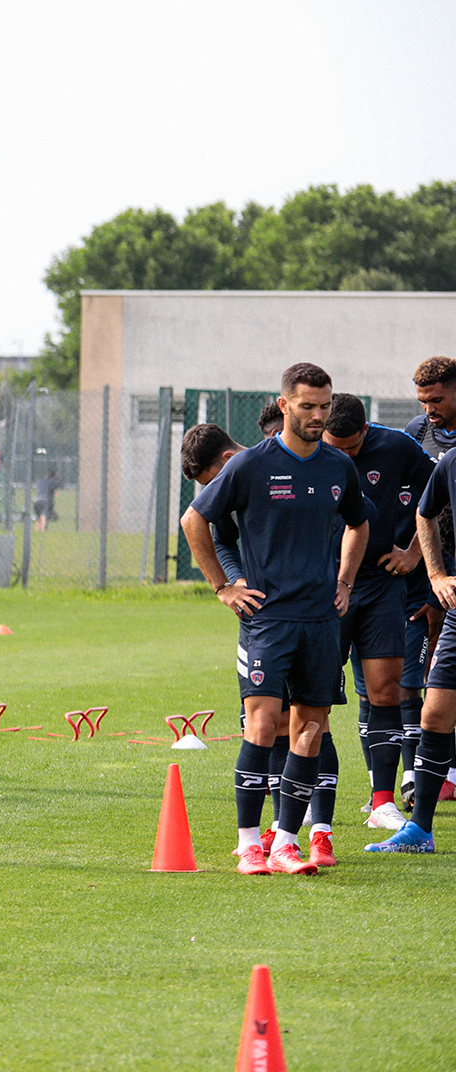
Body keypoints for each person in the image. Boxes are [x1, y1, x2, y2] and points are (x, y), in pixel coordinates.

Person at [182, 362, 369, 875]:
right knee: (263, 724)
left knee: (311, 727)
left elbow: (359, 522)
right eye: (307, 406)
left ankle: (287, 841)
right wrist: (224, 586)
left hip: (322, 620)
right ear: (284, 405)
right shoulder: (250, 466)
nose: (317, 415)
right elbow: (194, 518)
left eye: (324, 406)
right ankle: (249, 845)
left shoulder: (338, 466)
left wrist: (345, 581)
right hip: (268, 619)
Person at [320, 394, 433, 839]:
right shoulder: (305, 454)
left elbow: (438, 492)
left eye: (352, 448)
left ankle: (382, 803)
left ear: (366, 432)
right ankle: (309, 797)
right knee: (316, 695)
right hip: (322, 589)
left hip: (382, 584)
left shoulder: (398, 448)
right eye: (336, 447)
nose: (344, 457)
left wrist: (414, 553)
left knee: (386, 690)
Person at [367, 430, 456, 854]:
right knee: (434, 714)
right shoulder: (451, 462)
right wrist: (436, 574)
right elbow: (426, 513)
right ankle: (420, 830)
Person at [403, 355, 456, 807]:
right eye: (422, 400)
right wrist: (432, 572)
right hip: (443, 575)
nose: (429, 409)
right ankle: (424, 807)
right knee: (431, 688)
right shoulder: (417, 436)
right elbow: (421, 509)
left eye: (436, 399)